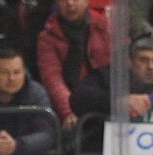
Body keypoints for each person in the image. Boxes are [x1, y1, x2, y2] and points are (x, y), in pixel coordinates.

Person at [37, 0, 111, 131]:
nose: (70, 3)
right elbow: (52, 79)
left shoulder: (105, 26)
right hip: (71, 104)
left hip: (104, 100)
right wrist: (68, 111)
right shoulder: (47, 37)